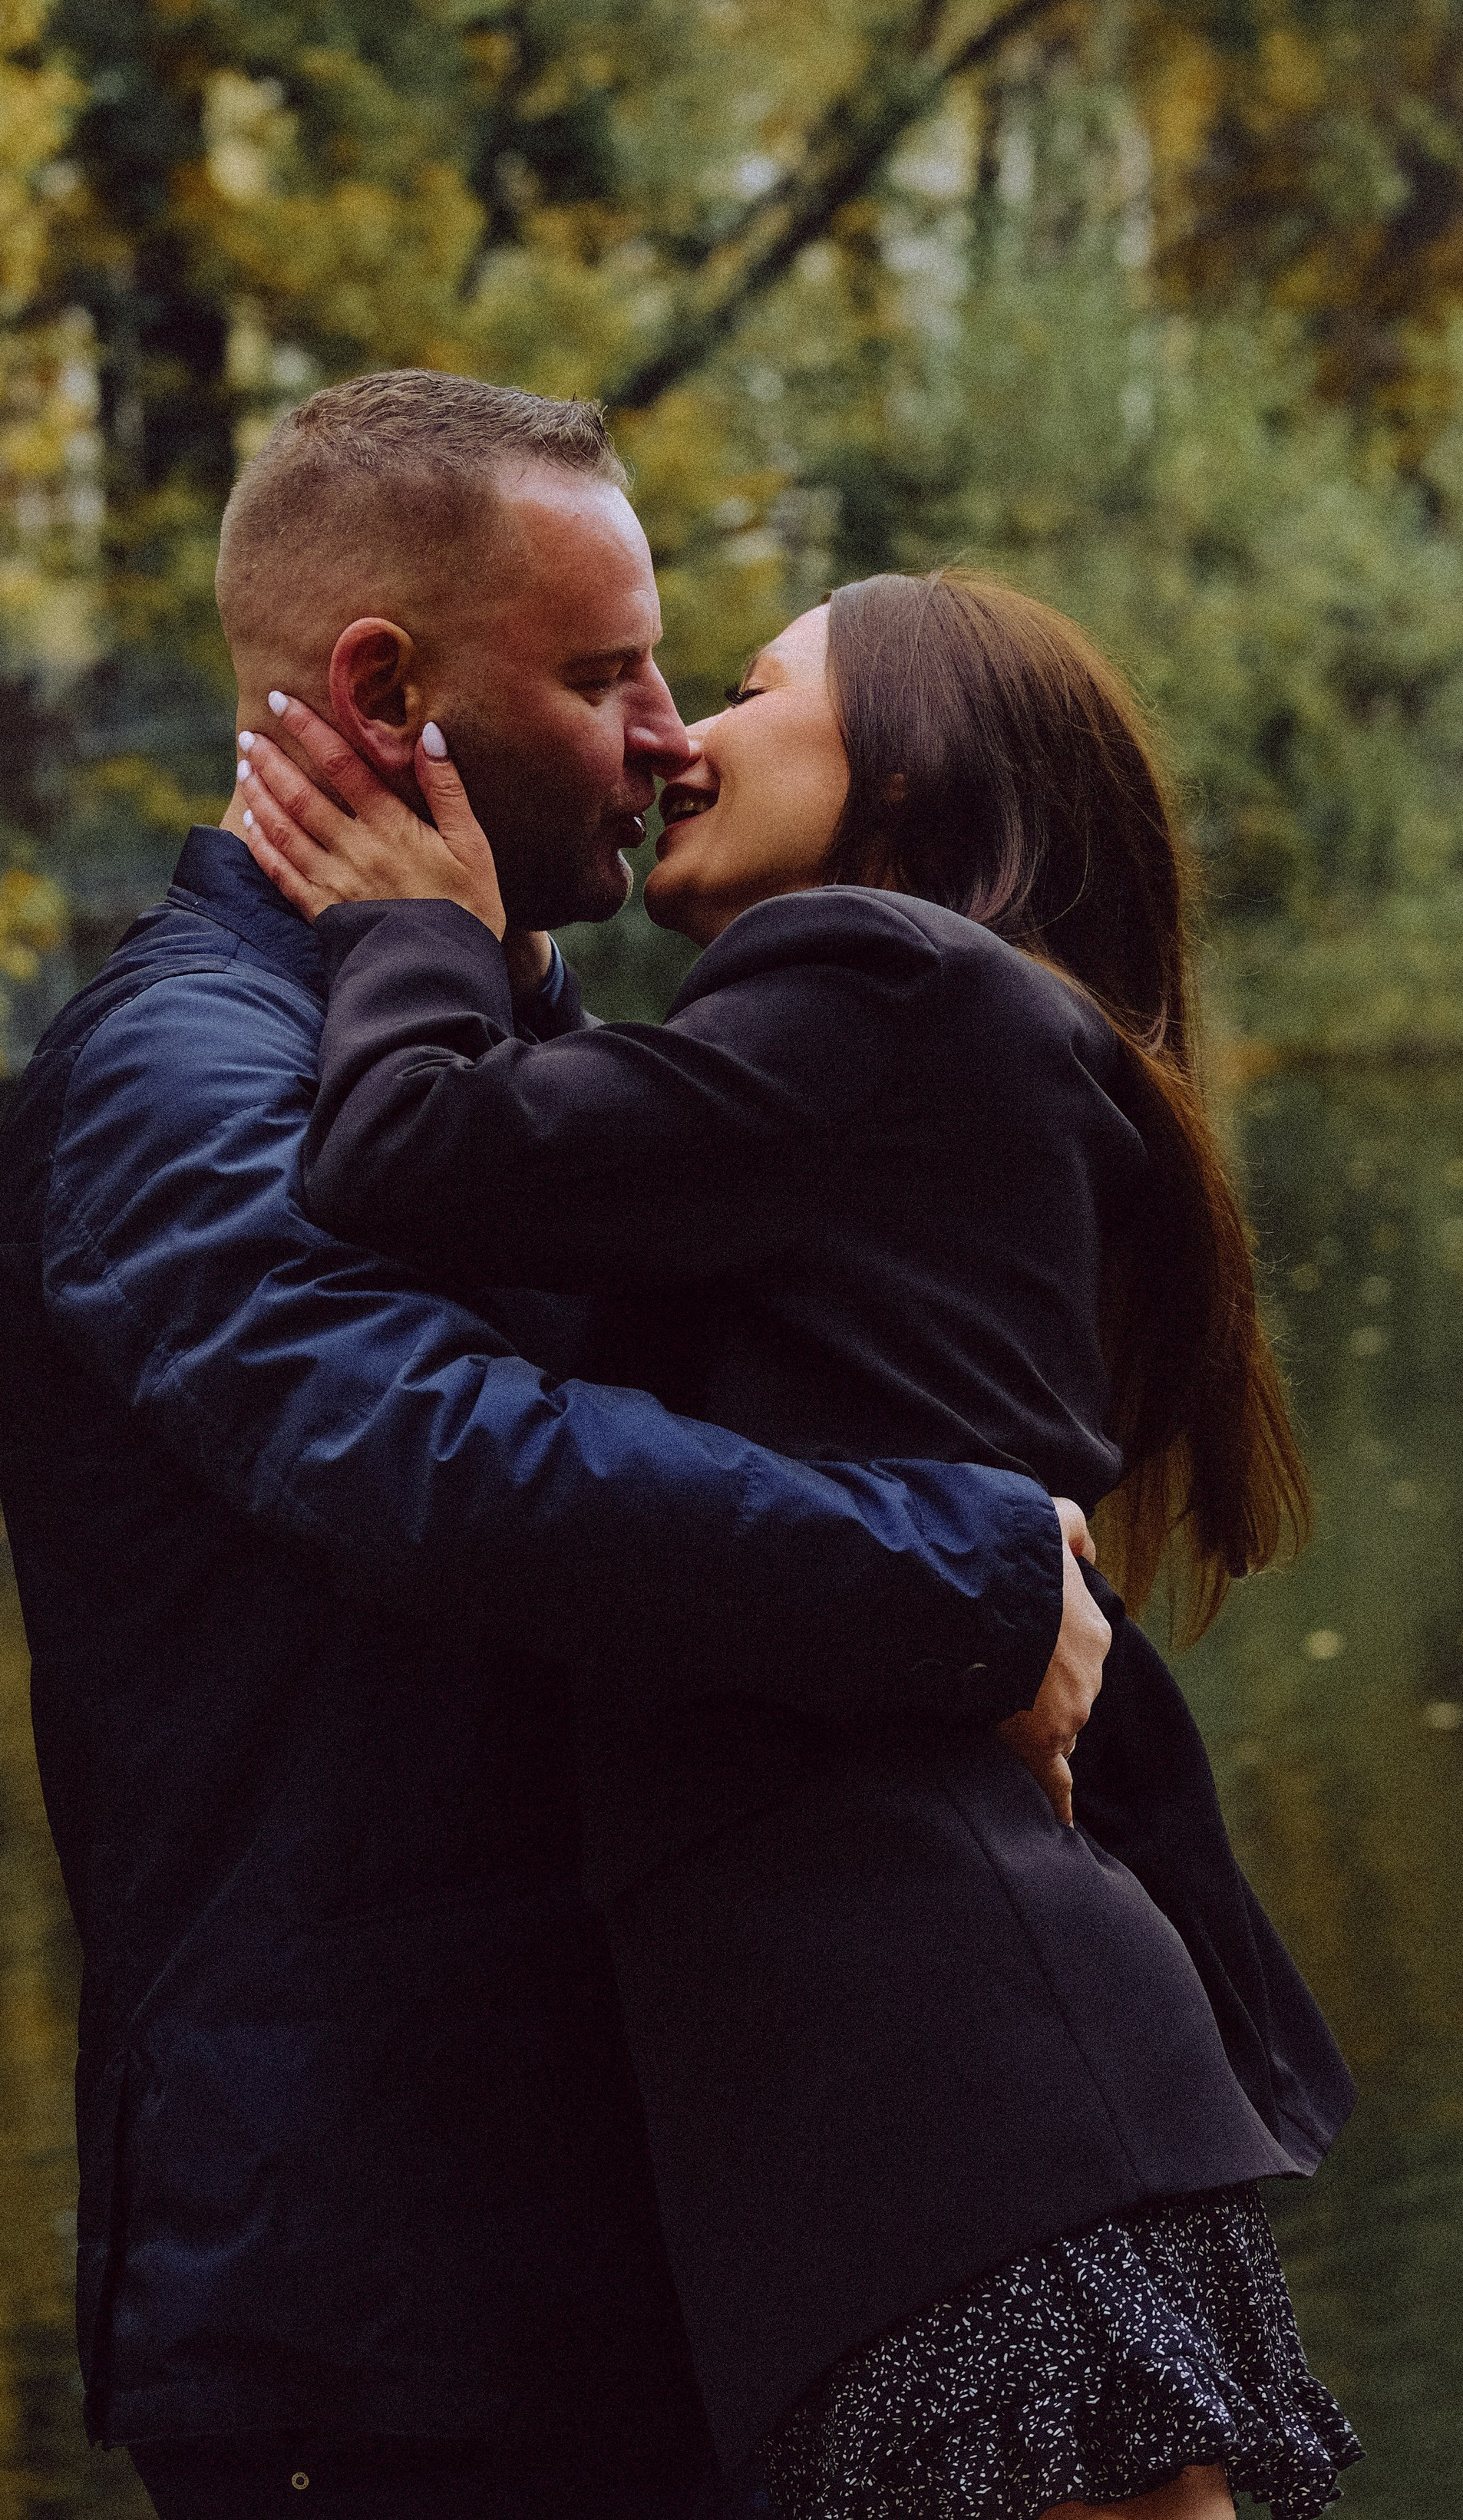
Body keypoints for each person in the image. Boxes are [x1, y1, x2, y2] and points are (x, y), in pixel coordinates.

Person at [0, 374, 1112, 2520]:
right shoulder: (175, 1075)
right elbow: (438, 1454)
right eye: (605, 675)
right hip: (376, 2311)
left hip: (619, 2243)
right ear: (382, 687)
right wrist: (973, 1590)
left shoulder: (502, 1041)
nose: (670, 730)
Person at [233, 565, 1362, 2520]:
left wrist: (416, 932)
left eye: (751, 690)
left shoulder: (876, 982)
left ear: (908, 781)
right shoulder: (905, 1058)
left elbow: (408, 1156)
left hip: (932, 2049)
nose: (678, 735)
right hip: (904, 2065)